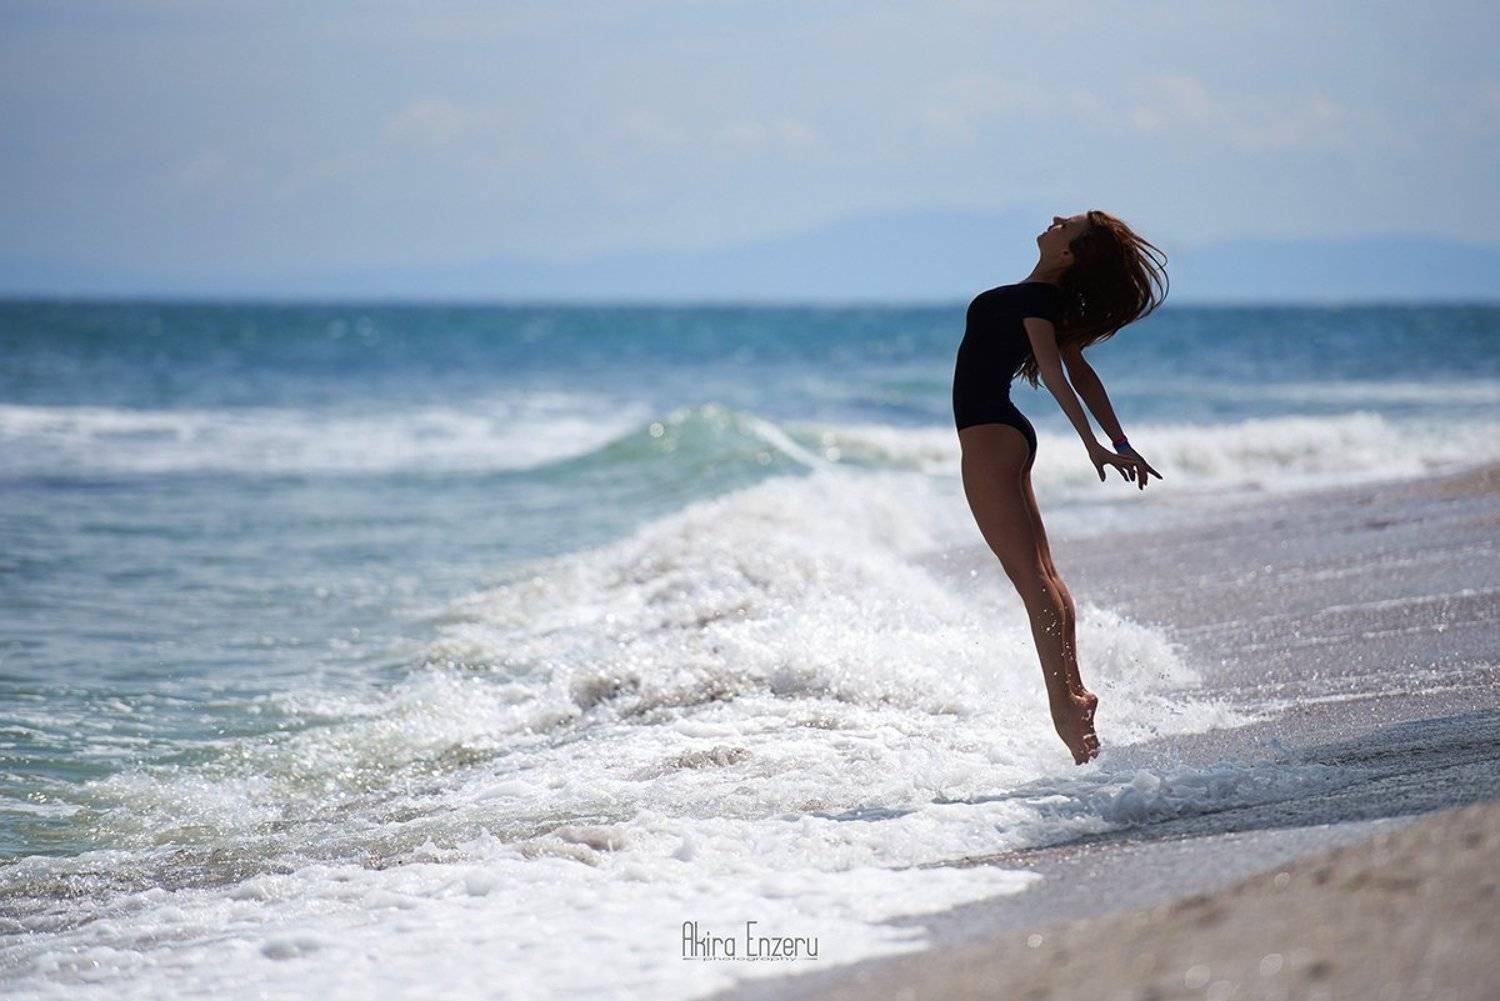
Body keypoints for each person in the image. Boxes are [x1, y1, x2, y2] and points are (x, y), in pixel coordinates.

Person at [952, 210, 1167, 764]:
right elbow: (1076, 371)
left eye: (1065, 225)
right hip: (1002, 433)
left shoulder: (1039, 300)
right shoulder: (1040, 298)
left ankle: (1065, 704)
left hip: (992, 436)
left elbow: (1055, 374)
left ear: (1069, 253)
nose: (1053, 221)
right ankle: (1073, 692)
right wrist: (1114, 441)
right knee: (1042, 573)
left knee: (1031, 577)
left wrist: (1096, 443)